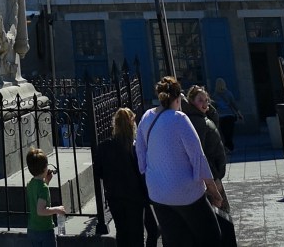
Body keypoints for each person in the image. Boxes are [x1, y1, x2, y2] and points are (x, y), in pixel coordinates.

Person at [136, 76, 222, 247]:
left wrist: (153, 177)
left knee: (176, 241)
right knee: (212, 237)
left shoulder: (146, 117)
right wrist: (213, 191)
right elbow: (197, 157)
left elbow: (140, 155)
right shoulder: (180, 119)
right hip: (186, 192)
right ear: (178, 98)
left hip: (158, 193)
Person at [93, 108, 157, 247]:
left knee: (122, 233)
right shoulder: (134, 148)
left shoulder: (104, 147)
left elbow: (98, 172)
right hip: (135, 197)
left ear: (115, 124)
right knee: (137, 235)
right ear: (132, 123)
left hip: (115, 196)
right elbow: (142, 172)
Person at [182, 87, 228, 212]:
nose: (205, 103)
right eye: (200, 100)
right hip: (211, 177)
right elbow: (201, 153)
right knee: (220, 214)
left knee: (221, 214)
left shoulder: (202, 116)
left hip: (214, 174)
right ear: (191, 102)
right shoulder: (197, 122)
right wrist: (214, 179)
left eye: (206, 100)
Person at [25, 148, 67, 244]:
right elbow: (41, 211)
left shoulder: (30, 184)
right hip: (44, 230)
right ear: (45, 168)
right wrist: (57, 209)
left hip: (32, 229)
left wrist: (46, 181)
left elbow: (37, 198)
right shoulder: (43, 188)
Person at [212, 79, 242, 153]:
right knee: (230, 132)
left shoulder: (215, 95)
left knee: (223, 133)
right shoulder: (229, 93)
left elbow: (214, 106)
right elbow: (233, 104)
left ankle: (226, 148)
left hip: (220, 116)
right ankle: (230, 147)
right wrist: (239, 113)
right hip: (230, 115)